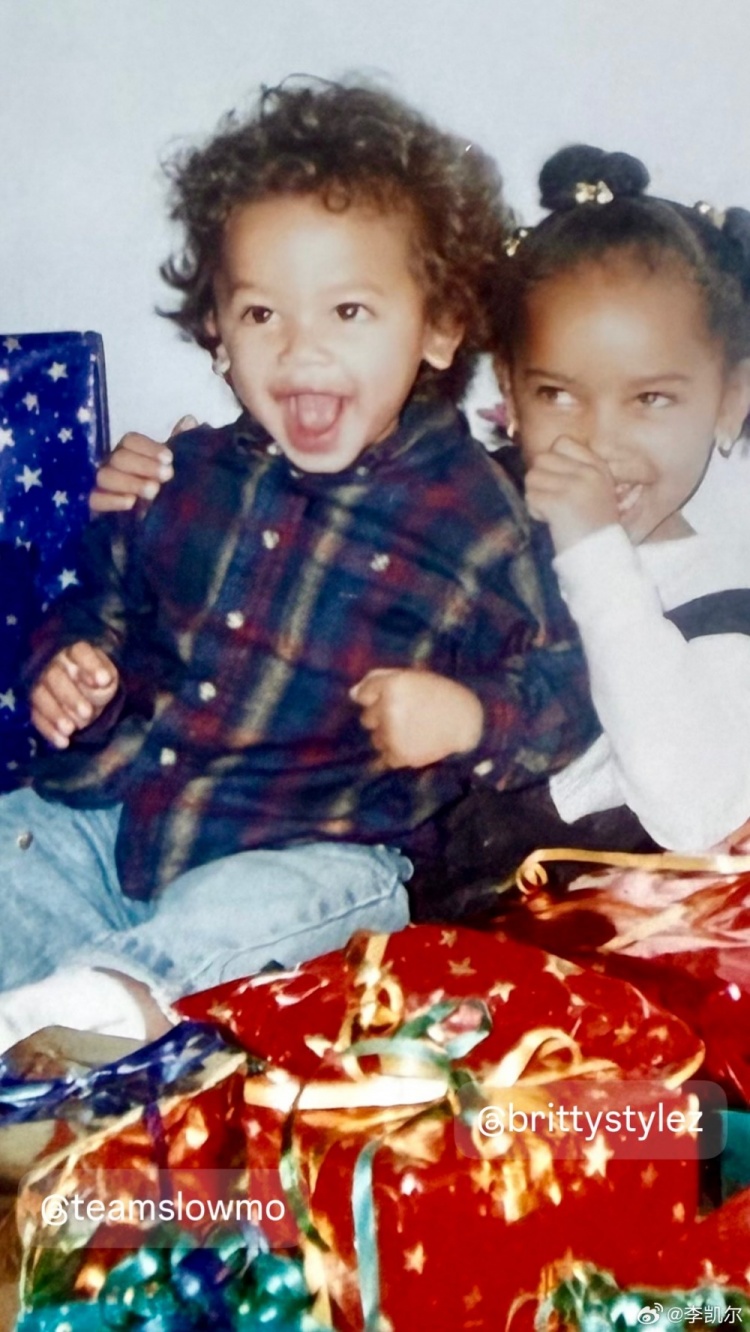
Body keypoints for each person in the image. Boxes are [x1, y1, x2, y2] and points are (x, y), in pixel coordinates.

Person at [0, 82, 594, 1049]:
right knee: (18, 842)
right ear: (216, 332)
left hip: (307, 853)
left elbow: (568, 688)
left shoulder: (479, 518)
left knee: (316, 906)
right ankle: (67, 999)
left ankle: (101, 1007)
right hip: (114, 818)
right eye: (262, 313)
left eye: (349, 309)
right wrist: (71, 672)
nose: (300, 348)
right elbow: (98, 607)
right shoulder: (184, 476)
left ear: (440, 326)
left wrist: (471, 717)